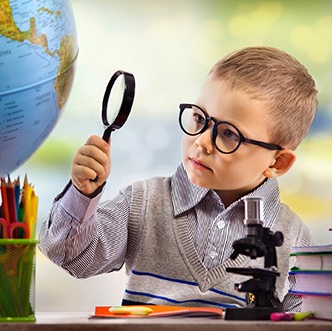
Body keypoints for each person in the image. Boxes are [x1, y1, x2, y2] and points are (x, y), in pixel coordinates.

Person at [39, 46, 318, 311]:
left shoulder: (295, 239)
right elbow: (70, 256)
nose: (201, 142)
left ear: (278, 162)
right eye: (199, 118)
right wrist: (82, 195)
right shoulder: (143, 202)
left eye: (229, 134)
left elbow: (305, 323)